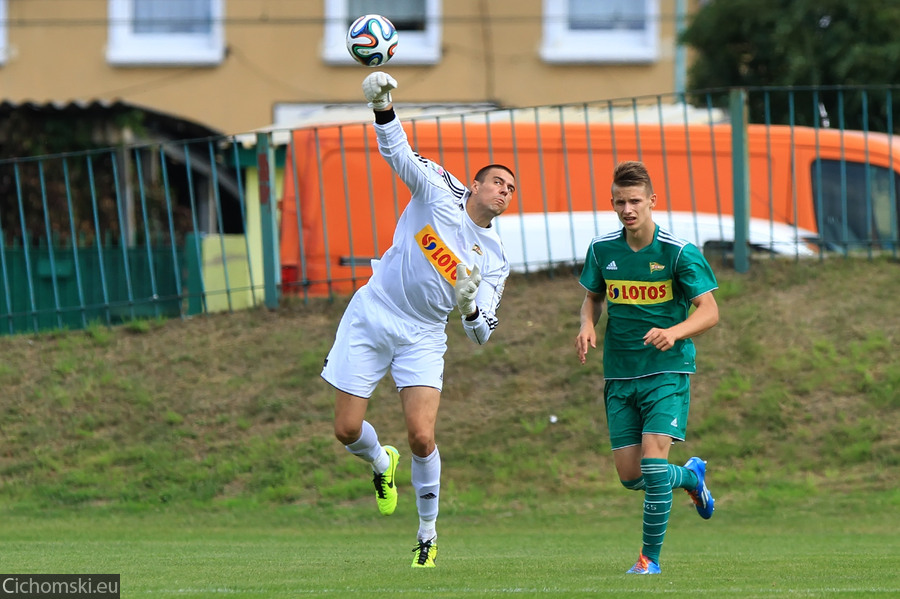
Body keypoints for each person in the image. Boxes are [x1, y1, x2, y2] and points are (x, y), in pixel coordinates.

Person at [322, 71, 516, 568]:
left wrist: (471, 305)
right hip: (373, 311)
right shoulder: (437, 190)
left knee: (422, 437)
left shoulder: (493, 258)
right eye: (497, 181)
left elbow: (481, 334)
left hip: (424, 335)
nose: (503, 191)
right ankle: (378, 460)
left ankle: (427, 537)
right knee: (346, 429)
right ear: (475, 183)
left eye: (510, 189)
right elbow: (399, 154)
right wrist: (382, 106)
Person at [574, 160, 720, 575]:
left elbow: (709, 311)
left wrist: (674, 332)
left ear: (652, 200)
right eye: (619, 202)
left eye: (635, 201)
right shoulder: (603, 250)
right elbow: (593, 297)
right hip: (619, 373)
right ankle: (691, 478)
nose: (627, 209)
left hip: (667, 370)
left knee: (654, 466)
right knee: (631, 476)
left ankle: (648, 560)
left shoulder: (678, 252)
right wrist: (587, 323)